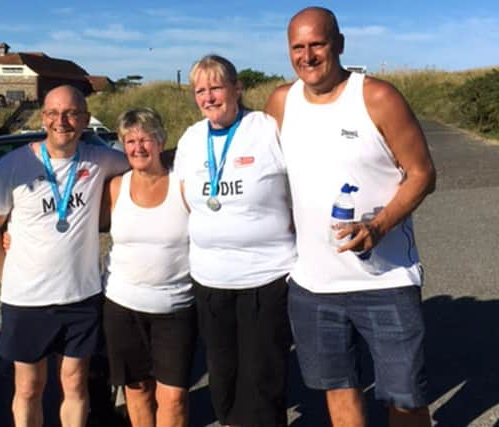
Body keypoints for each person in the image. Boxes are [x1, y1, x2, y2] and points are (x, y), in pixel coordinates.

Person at [265, 7, 436, 427]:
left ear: (338, 44)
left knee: (405, 400)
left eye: (317, 44)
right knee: (340, 398)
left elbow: (423, 174)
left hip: (386, 281)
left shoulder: (377, 97)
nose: (307, 56)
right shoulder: (282, 102)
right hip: (313, 284)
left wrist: (378, 227)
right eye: (298, 47)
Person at [0, 85, 129, 427]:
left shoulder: (100, 158)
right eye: (53, 113)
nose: (62, 121)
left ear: (86, 119)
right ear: (43, 117)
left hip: (81, 296)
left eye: (72, 113)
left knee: (75, 383)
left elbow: (144, 163)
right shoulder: (14, 165)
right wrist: (8, 278)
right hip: (27, 300)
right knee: (30, 387)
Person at [173, 54, 296, 427]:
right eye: (200, 90)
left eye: (216, 87)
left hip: (266, 277)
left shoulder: (266, 128)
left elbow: (300, 187)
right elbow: (185, 198)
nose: (208, 97)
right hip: (211, 281)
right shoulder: (192, 139)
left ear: (237, 88)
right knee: (222, 377)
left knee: (262, 379)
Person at [100, 108, 196, 427]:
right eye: (130, 141)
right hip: (123, 306)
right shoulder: (115, 187)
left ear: (160, 141)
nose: (138, 148)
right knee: (137, 391)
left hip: (175, 307)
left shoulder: (183, 186)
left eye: (146, 139)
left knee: (174, 397)